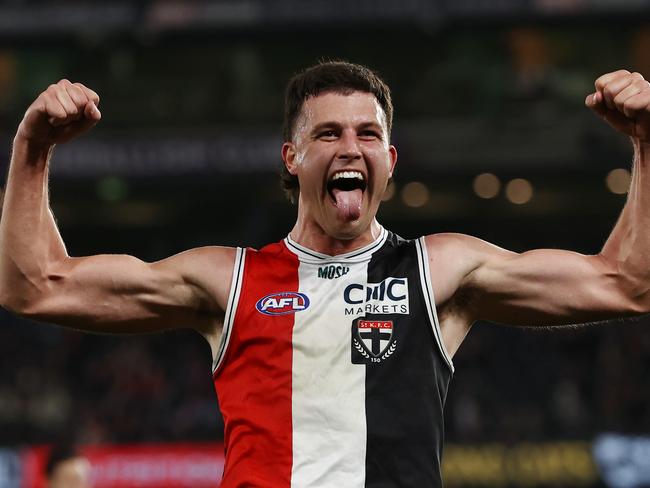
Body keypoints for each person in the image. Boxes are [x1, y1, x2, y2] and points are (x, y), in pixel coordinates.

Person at [0, 61, 649, 487]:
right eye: (329, 133)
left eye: (368, 134)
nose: (350, 148)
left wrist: (646, 141)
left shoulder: (442, 269)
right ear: (293, 157)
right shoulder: (227, 280)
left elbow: (627, 283)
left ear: (390, 160)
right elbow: (36, 286)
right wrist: (31, 148)